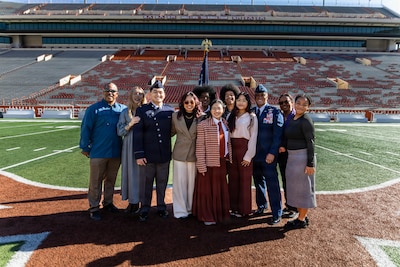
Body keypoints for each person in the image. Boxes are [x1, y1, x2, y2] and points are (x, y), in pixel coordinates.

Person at [79, 82, 127, 221]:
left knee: (111, 180)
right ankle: (94, 207)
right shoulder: (94, 109)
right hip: (99, 151)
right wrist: (85, 147)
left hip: (116, 152)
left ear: (117, 94)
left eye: (113, 91)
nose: (110, 93)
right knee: (95, 181)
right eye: (107, 90)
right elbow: (86, 128)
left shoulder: (122, 110)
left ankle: (108, 203)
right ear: (103, 92)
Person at [133, 80, 174, 222]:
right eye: (155, 92)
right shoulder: (142, 110)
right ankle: (145, 208)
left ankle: (161, 207)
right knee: (146, 183)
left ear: (165, 94)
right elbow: (137, 133)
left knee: (162, 183)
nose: (158, 94)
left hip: (164, 155)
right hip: (147, 156)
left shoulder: (170, 110)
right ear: (150, 94)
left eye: (160, 92)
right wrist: (139, 154)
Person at [193, 99, 232, 225]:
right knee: (208, 192)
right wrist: (201, 166)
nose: (216, 110)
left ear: (223, 110)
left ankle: (220, 214)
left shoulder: (225, 123)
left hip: (221, 162)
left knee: (219, 190)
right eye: (214, 108)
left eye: (219, 108)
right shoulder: (203, 125)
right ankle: (207, 216)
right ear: (210, 109)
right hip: (209, 164)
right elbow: (200, 146)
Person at [252, 84, 284, 225]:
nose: (260, 98)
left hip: (268, 156)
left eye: (262, 95)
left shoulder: (274, 112)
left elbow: (278, 136)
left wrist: (272, 153)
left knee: (272, 184)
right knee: (258, 182)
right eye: (257, 95)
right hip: (255, 155)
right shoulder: (251, 112)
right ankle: (261, 205)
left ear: (267, 96)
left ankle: (277, 212)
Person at [283, 94, 316, 230]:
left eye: (304, 104)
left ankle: (301, 220)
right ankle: (302, 216)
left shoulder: (306, 121)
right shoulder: (293, 118)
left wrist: (310, 163)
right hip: (293, 158)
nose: (301, 106)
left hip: (302, 158)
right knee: (296, 189)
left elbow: (311, 142)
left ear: (308, 107)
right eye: (299, 103)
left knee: (303, 190)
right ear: (294, 104)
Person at [171, 91, 205, 219]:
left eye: (192, 102)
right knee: (179, 184)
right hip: (179, 153)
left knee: (192, 184)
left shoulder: (202, 117)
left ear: (196, 102)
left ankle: (191, 208)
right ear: (182, 103)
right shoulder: (175, 116)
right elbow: (170, 132)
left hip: (194, 153)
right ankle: (180, 211)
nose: (189, 104)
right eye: (186, 102)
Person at [227, 92, 258, 217]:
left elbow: (253, 136)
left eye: (243, 100)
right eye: (238, 100)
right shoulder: (231, 115)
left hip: (244, 148)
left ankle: (244, 209)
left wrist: (248, 156)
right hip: (232, 149)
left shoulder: (252, 117)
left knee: (244, 181)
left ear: (248, 103)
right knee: (233, 179)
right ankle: (233, 208)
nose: (240, 102)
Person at [117, 86, 146, 215]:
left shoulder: (146, 110)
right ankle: (132, 202)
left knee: (142, 175)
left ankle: (142, 202)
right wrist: (131, 123)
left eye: (140, 94)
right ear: (131, 95)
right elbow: (120, 131)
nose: (138, 96)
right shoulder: (125, 112)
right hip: (129, 146)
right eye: (135, 93)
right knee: (130, 174)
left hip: (143, 146)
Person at [277, 93, 298, 219]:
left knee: (294, 181)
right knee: (285, 180)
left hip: (294, 154)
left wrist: (285, 145)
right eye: (281, 103)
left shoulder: (296, 117)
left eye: (286, 102)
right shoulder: (280, 115)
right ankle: (289, 205)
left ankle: (295, 207)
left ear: (292, 102)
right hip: (282, 155)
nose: (284, 104)